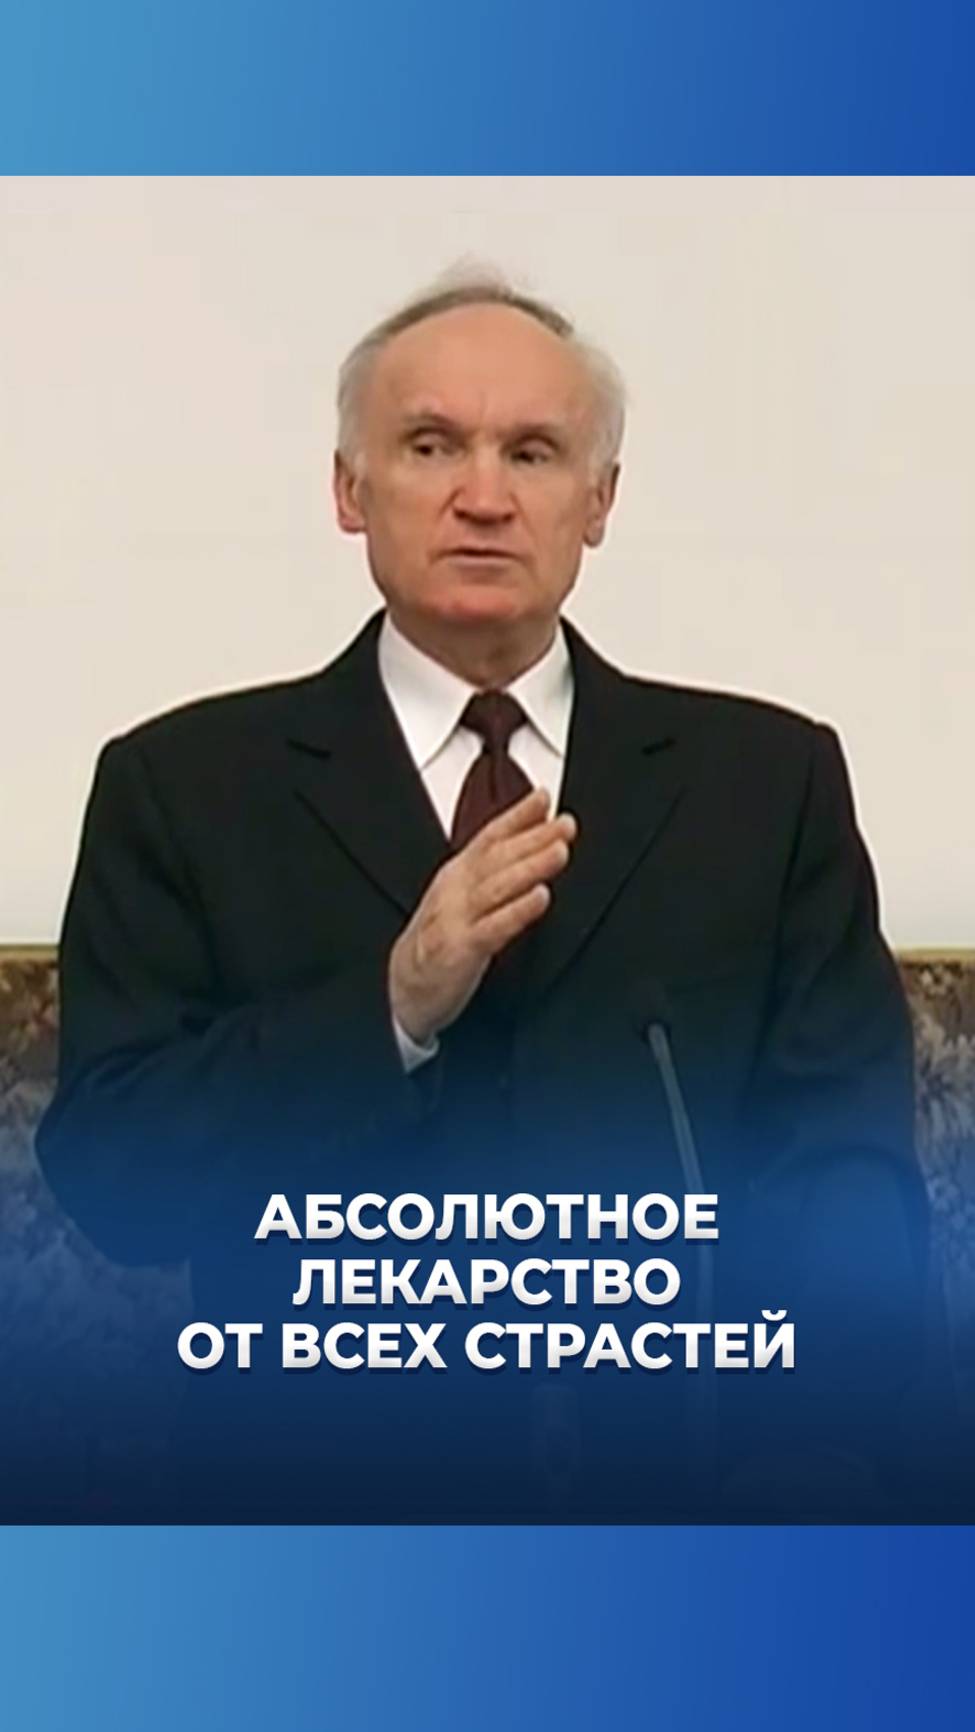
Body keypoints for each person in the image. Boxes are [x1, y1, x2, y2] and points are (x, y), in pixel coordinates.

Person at [36, 270, 933, 1521]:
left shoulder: (765, 784)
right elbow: (117, 1178)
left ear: (599, 501)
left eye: (533, 451)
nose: (484, 495)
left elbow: (846, 1173)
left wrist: (814, 1464)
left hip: (695, 1489)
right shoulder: (183, 787)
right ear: (349, 490)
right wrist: (389, 1012)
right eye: (430, 444)